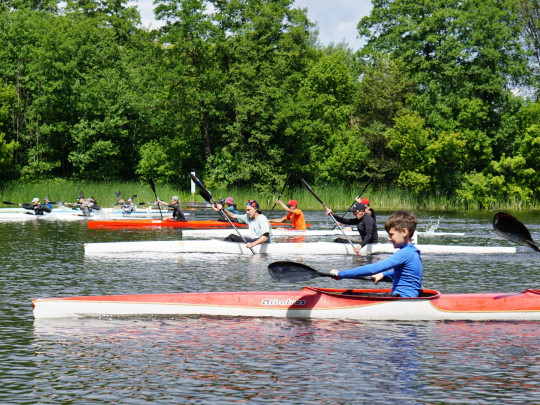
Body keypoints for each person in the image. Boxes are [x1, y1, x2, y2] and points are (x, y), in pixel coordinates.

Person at [330, 211, 422, 298]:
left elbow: (374, 268)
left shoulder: (404, 253)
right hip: (406, 297)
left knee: (349, 294)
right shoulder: (413, 252)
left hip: (402, 299)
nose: (389, 239)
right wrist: (384, 274)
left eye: (391, 234)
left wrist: (341, 274)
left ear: (404, 232)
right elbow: (404, 273)